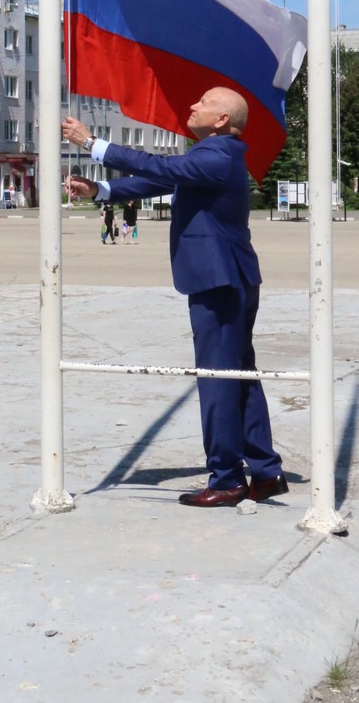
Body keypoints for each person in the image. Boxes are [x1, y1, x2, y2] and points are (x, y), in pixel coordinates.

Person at [63, 87, 288, 509]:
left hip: (218, 280)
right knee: (240, 376)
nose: (192, 106)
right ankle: (264, 470)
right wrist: (101, 192)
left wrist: (93, 144)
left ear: (222, 120)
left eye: (201, 103)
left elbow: (159, 165)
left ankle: (226, 478)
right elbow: (159, 179)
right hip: (231, 278)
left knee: (218, 378)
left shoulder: (217, 154)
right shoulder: (217, 154)